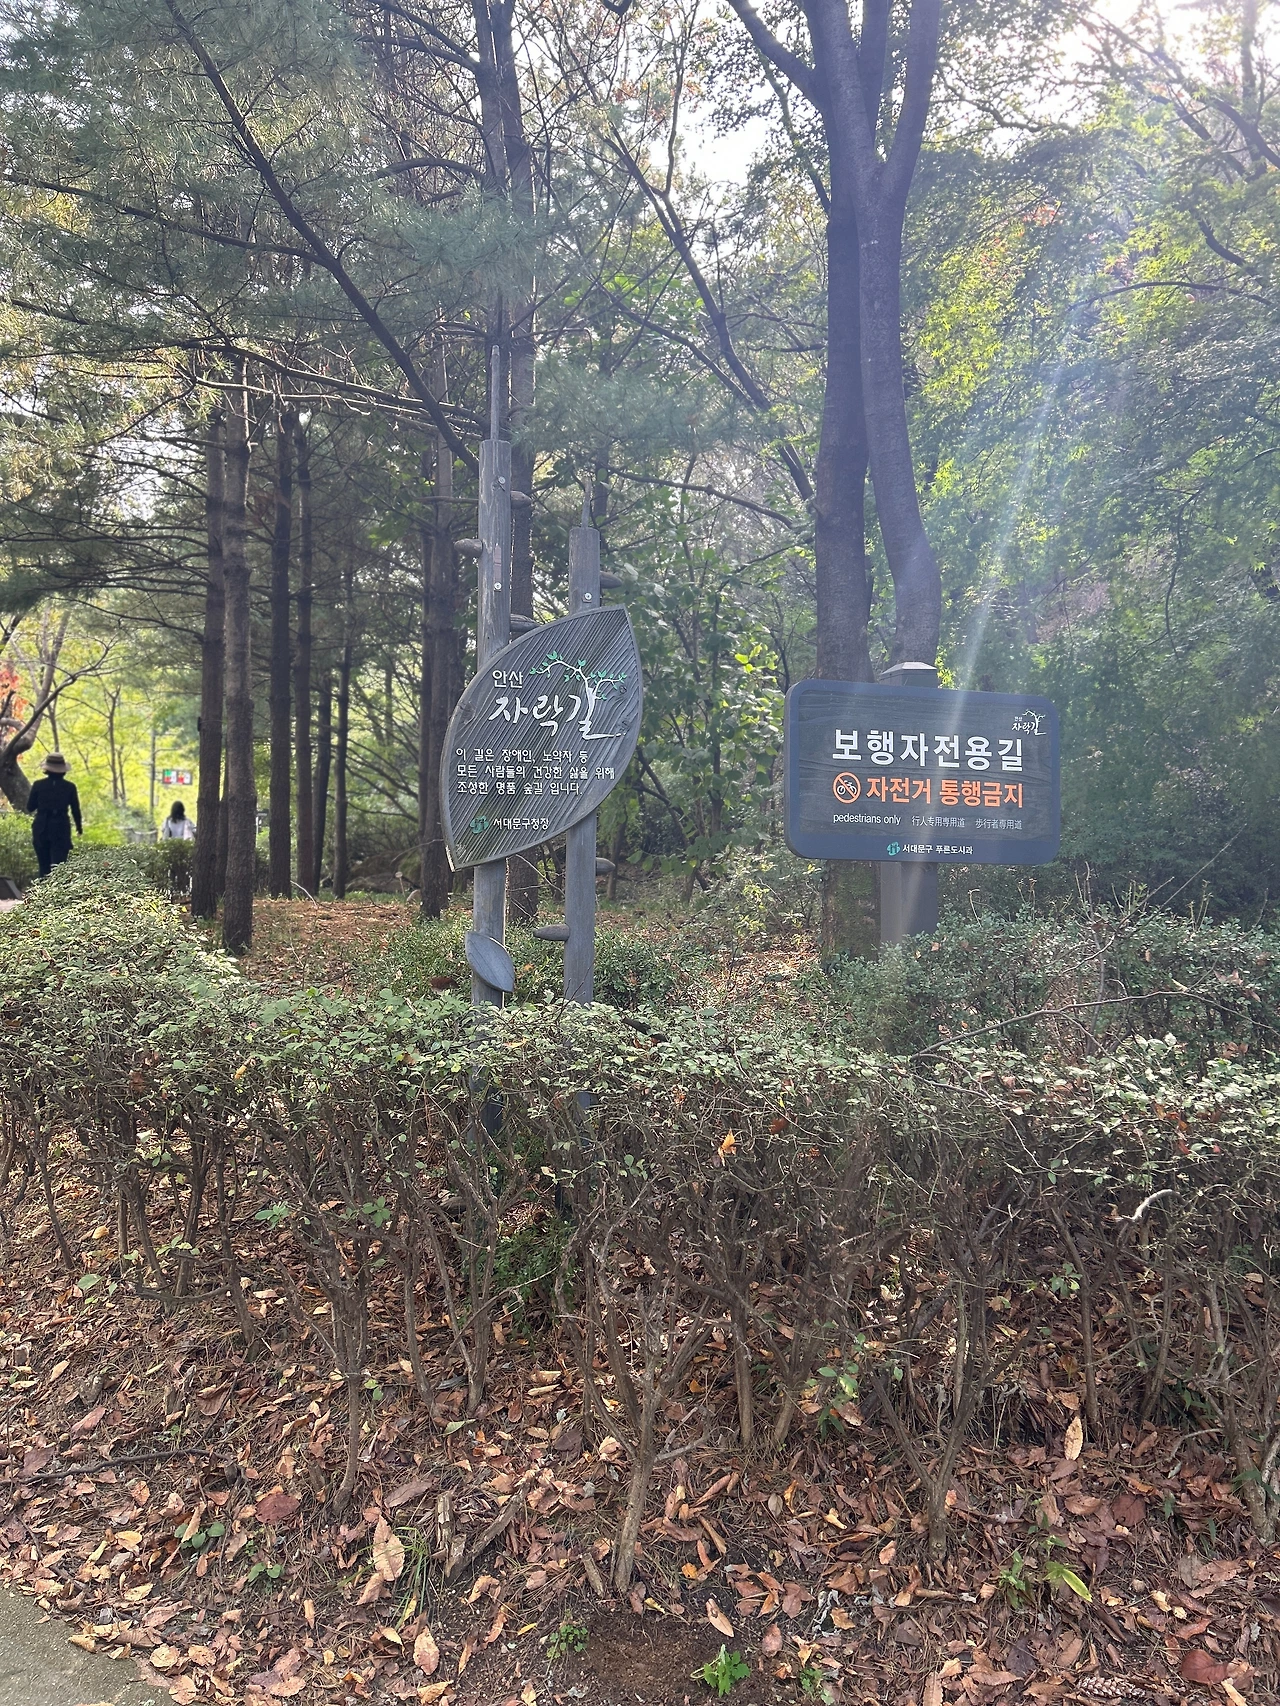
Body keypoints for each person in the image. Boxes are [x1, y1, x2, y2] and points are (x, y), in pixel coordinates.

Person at [26, 753, 82, 877]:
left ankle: (42, 887)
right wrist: (79, 827)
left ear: (47, 769)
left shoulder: (38, 785)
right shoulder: (70, 787)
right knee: (59, 866)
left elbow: (30, 807)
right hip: (61, 827)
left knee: (43, 866)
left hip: (42, 827)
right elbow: (75, 810)